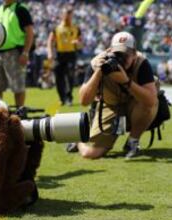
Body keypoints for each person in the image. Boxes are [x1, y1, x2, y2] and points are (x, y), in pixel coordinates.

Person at [67, 31, 158, 159]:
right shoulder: (97, 63)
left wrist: (126, 82)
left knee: (151, 99)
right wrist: (99, 72)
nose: (120, 59)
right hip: (110, 106)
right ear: (109, 51)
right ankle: (77, 140)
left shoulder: (141, 63)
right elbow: (84, 101)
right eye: (116, 54)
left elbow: (150, 101)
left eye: (125, 54)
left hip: (134, 105)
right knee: (91, 154)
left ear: (134, 54)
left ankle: (132, 141)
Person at [0, 0, 34, 108]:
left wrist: (25, 52)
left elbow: (30, 31)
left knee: (18, 87)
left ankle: (20, 113)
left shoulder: (20, 9)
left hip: (14, 52)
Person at [47, 6, 82, 106]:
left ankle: (69, 98)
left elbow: (80, 43)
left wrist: (77, 43)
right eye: (66, 14)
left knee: (70, 75)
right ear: (62, 15)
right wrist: (50, 52)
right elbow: (50, 41)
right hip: (60, 55)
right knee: (58, 77)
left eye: (70, 15)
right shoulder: (57, 28)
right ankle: (62, 98)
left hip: (71, 54)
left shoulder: (76, 28)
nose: (68, 17)